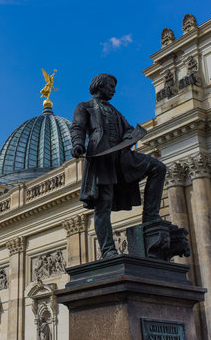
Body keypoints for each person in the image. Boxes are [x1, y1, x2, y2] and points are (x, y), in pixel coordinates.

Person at [70, 73, 167, 259]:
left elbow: (128, 129)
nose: (113, 90)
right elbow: (77, 127)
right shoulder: (86, 107)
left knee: (158, 168)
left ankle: (151, 217)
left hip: (122, 156)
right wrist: (77, 144)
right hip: (101, 157)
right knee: (103, 203)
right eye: (111, 86)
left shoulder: (115, 111)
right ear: (100, 86)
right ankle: (108, 250)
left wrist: (128, 138)